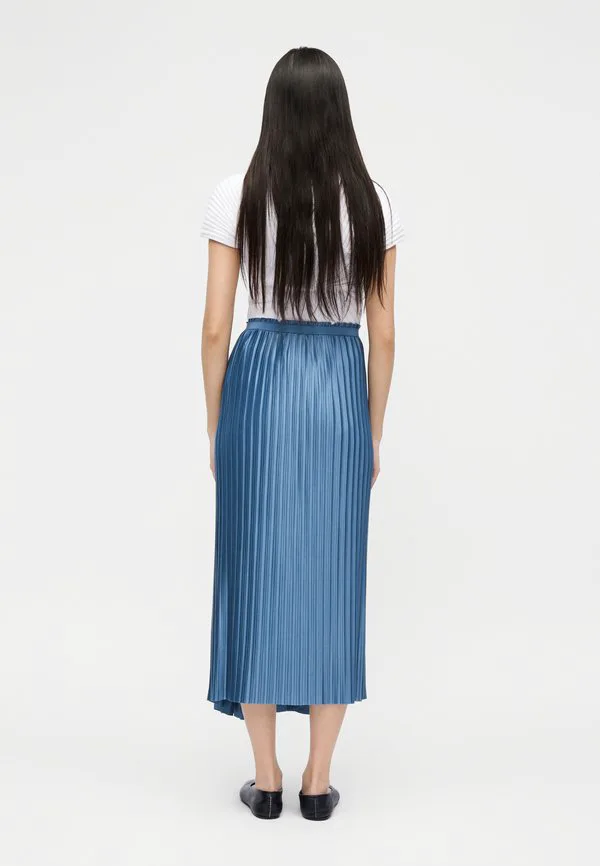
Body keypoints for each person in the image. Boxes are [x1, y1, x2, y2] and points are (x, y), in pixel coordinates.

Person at [200, 46, 403, 821]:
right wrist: (371, 433)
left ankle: (267, 781)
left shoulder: (238, 194)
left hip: (258, 383)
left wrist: (218, 426)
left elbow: (214, 328)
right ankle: (319, 783)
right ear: (339, 114)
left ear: (273, 112)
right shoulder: (372, 202)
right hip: (337, 389)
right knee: (334, 577)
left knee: (252, 571)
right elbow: (384, 336)